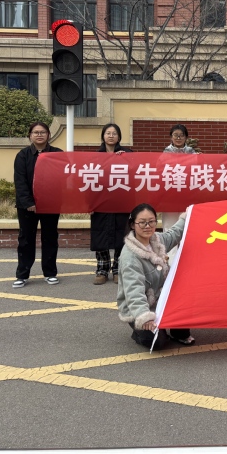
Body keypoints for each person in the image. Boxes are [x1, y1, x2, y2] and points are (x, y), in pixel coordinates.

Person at [117, 203, 195, 349]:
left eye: (151, 221)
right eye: (142, 222)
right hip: (140, 307)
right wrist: (144, 317)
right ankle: (139, 332)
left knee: (185, 292)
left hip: (161, 300)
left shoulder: (157, 240)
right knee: (157, 342)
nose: (148, 226)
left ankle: (177, 332)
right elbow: (133, 291)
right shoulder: (130, 258)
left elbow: (175, 233)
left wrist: (189, 215)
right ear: (133, 225)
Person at [12, 122, 63, 288]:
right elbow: (20, 181)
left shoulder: (57, 154)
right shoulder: (23, 155)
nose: (39, 135)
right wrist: (29, 202)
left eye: (42, 132)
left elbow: (63, 177)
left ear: (49, 135)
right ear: (30, 135)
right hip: (27, 207)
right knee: (26, 239)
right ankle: (22, 275)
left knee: (50, 238)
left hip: (50, 205)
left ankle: (50, 273)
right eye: (36, 132)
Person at [91, 123, 132, 285]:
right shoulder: (95, 156)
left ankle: (117, 269)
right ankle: (102, 269)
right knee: (100, 235)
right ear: (103, 136)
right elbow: (88, 181)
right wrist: (89, 204)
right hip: (100, 202)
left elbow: (135, 173)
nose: (111, 136)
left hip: (121, 202)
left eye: (114, 133)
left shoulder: (127, 154)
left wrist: (125, 158)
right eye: (108, 133)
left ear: (119, 137)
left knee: (121, 236)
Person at [162, 124, 196, 231]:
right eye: (175, 135)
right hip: (170, 193)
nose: (178, 138)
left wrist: (200, 159)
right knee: (169, 226)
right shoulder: (165, 152)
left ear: (186, 137)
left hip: (187, 193)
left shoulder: (192, 152)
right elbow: (160, 171)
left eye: (181, 135)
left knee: (185, 224)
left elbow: (196, 171)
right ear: (171, 137)